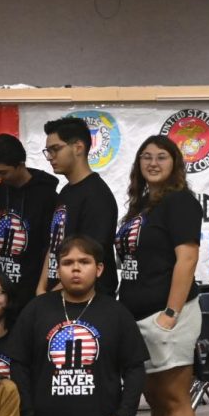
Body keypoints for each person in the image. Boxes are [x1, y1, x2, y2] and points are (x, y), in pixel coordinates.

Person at [10, 236, 147, 416]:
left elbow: (135, 369)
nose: (75, 269)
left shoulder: (116, 313)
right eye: (67, 263)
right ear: (57, 269)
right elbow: (19, 366)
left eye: (84, 262)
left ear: (98, 269)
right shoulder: (36, 310)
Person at [116, 136, 203, 416]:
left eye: (161, 157)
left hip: (168, 317)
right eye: (146, 157)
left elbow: (186, 260)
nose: (153, 162)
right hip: (139, 316)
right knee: (155, 398)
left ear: (175, 163)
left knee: (174, 398)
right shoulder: (140, 206)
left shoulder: (180, 201)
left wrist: (171, 313)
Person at [37, 117, 119, 297]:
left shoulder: (97, 196)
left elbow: (88, 258)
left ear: (78, 148)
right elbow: (54, 244)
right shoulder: (66, 191)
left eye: (56, 149)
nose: (51, 157)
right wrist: (42, 288)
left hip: (87, 302)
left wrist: (52, 295)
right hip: (56, 295)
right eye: (48, 151)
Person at [0, 134, 57, 309]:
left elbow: (50, 248)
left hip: (31, 295)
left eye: (3, 172)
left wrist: (43, 293)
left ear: (20, 165)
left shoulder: (47, 197)